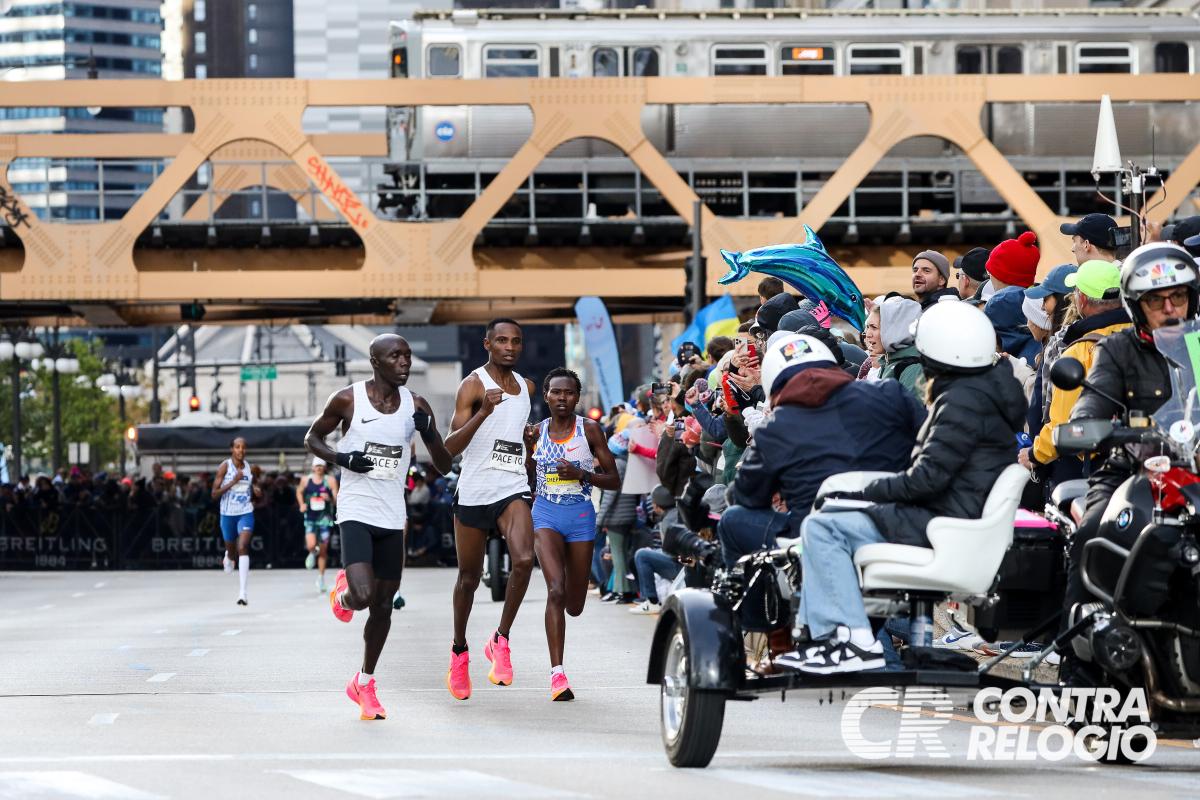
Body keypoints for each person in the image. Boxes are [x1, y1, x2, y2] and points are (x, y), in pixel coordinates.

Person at [776, 302, 1025, 673]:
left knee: (823, 526)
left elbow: (927, 479)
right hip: (954, 515)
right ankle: (833, 638)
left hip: (942, 521)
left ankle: (850, 639)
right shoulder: (983, 393)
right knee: (833, 516)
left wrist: (869, 491)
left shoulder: (962, 401)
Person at [1061, 244, 1199, 676]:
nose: (1169, 308)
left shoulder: (1199, 344)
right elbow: (1085, 415)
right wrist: (1106, 430)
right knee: (1090, 534)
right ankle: (1075, 656)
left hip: (1194, 472)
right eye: (1156, 301)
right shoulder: (1119, 349)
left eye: (1178, 296)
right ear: (1137, 307)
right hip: (1136, 469)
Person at [303, 333, 451, 721]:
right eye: (395, 356)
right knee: (364, 595)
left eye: (407, 355)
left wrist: (429, 431)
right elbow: (312, 438)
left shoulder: (416, 404)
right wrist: (343, 459)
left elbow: (445, 464)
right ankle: (342, 595)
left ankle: (364, 682)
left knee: (384, 605)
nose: (404, 362)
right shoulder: (348, 399)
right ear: (375, 361)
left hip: (391, 515)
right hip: (355, 510)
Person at [718, 333, 924, 567]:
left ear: (772, 385)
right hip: (896, 526)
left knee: (732, 520)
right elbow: (929, 445)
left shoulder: (776, 427)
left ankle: (758, 603)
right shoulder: (889, 393)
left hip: (816, 537)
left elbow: (747, 496)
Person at [444, 318, 538, 701]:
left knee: (523, 560)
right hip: (473, 491)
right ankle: (460, 651)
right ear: (487, 344)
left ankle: (501, 639)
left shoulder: (529, 389)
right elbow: (450, 446)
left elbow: (518, 444)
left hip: (512, 487)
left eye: (516, 341)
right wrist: (482, 412)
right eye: (501, 340)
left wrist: (530, 443)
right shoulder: (472, 385)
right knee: (468, 579)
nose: (509, 347)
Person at [524, 367, 620, 700]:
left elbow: (614, 479)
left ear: (577, 397)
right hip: (546, 514)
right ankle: (557, 675)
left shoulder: (589, 430)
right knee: (555, 590)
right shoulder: (535, 433)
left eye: (568, 393)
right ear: (546, 396)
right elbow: (531, 479)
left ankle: (572, 588)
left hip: (579, 516)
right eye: (556, 392)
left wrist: (581, 473)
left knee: (574, 604)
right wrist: (527, 451)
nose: (562, 398)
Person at [1021, 260, 1128, 483]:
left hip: (1093, 467)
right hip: (1149, 457)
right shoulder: (1146, 337)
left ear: (1081, 299)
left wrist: (1034, 454)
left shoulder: (1079, 350)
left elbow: (1063, 427)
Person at [211, 437, 261, 606]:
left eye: (243, 447)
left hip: (245, 512)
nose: (241, 450)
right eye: (237, 447)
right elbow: (214, 494)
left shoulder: (249, 468)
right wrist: (233, 481)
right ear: (232, 449)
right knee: (232, 550)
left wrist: (256, 492)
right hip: (227, 513)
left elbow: (254, 491)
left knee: (243, 546)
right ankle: (228, 556)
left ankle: (243, 592)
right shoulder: (225, 467)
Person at [984, 232, 1042, 364]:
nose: (989, 277)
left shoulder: (998, 304)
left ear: (1001, 275)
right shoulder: (1042, 301)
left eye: (990, 272)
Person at [629, 485, 682, 615]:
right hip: (682, 561)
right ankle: (645, 598)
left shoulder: (669, 520)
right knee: (643, 555)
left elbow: (671, 552)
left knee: (641, 555)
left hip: (679, 566)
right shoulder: (675, 513)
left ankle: (652, 601)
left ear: (658, 505)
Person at [297, 457, 339, 593]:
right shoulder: (306, 479)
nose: (319, 468)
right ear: (313, 467)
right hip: (310, 516)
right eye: (317, 465)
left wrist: (330, 498)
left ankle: (320, 578)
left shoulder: (330, 480)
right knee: (310, 544)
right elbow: (299, 491)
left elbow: (336, 500)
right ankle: (311, 552)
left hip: (325, 518)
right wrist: (302, 504)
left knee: (323, 549)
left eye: (321, 465)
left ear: (325, 467)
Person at [878, 296, 925, 398]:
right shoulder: (888, 362)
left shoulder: (913, 367)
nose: (867, 334)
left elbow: (910, 411)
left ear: (899, 328)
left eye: (877, 326)